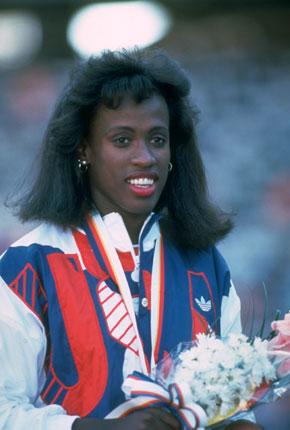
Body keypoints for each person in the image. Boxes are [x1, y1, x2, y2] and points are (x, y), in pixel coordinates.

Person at [0, 48, 263, 430]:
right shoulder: (28, 266)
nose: (145, 157)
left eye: (157, 139)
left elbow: (233, 406)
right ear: (83, 149)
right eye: (122, 140)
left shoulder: (207, 265)